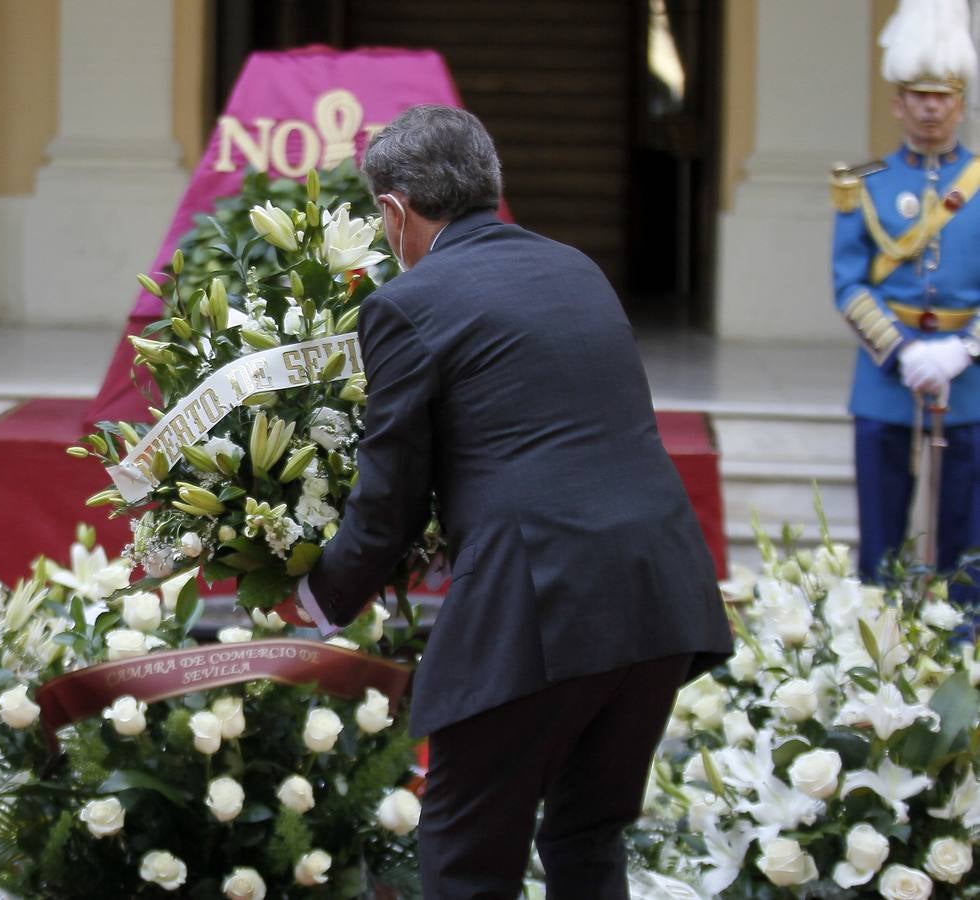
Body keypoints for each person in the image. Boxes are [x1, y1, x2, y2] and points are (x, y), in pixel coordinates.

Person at [296, 106, 732, 898]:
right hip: (659, 595)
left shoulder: (406, 304)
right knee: (587, 840)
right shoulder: (576, 267)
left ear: (394, 212)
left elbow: (388, 500)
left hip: (538, 611)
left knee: (468, 858)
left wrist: (319, 595)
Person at [832, 0, 980, 613]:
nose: (928, 108)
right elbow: (848, 284)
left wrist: (962, 349)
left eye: (940, 96)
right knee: (881, 547)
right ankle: (881, 656)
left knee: (966, 550)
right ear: (897, 103)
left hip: (969, 385)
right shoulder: (864, 181)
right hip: (885, 383)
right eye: (916, 96)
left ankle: (963, 657)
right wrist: (904, 351)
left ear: (960, 103)